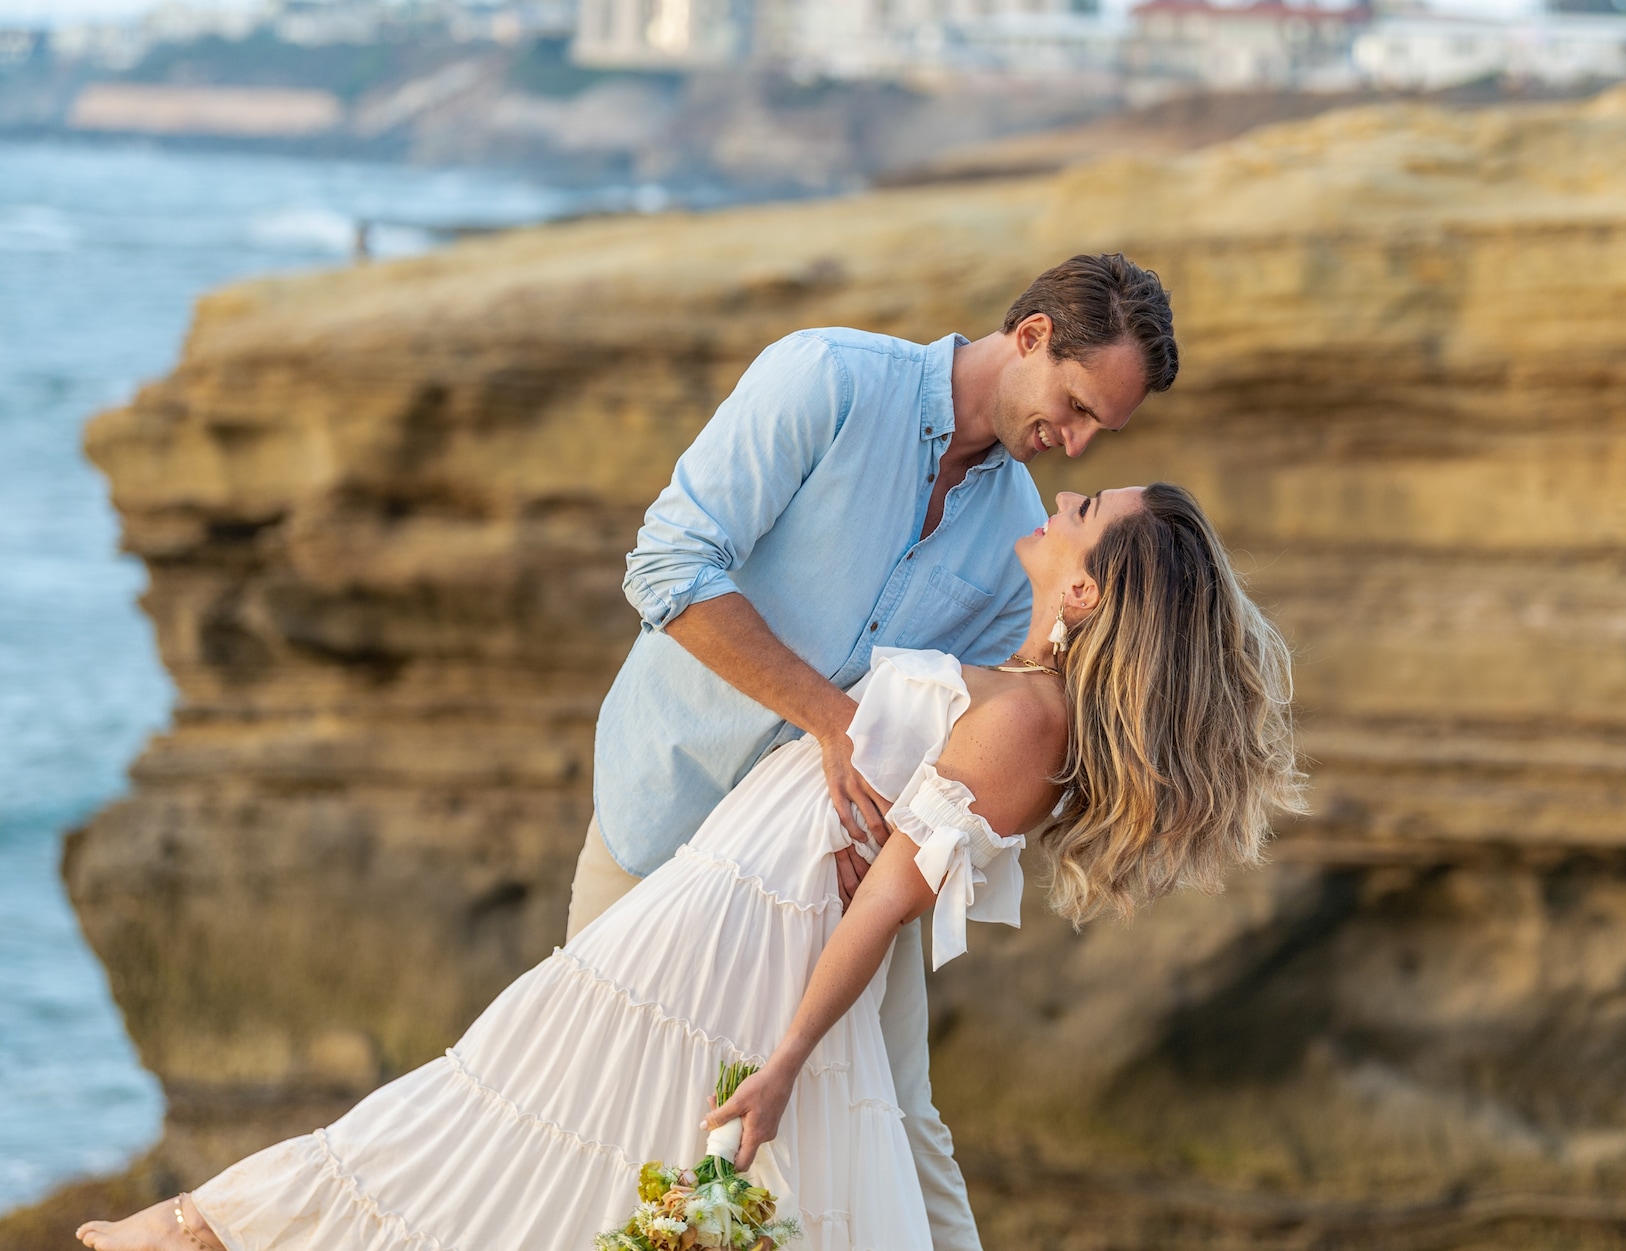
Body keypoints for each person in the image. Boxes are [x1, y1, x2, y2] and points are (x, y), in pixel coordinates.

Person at [78, 482, 1304, 1251]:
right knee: (522, 1099)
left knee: (526, 1102)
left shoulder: (1028, 723)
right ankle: (213, 1228)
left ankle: (203, 1230)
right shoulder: (1018, 688)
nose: (1063, 498)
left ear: (1083, 590)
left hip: (748, 933)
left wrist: (781, 1064)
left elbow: (885, 898)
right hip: (720, 893)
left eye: (1084, 509)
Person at [570, 251, 1177, 1250]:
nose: (1069, 446)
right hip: (664, 808)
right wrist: (825, 714)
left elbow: (958, 739)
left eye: (1095, 432)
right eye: (1071, 407)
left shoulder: (1019, 535)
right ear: (1029, 335)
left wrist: (902, 833)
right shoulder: (828, 380)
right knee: (594, 1099)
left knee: (892, 1121)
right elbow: (666, 565)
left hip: (824, 880)